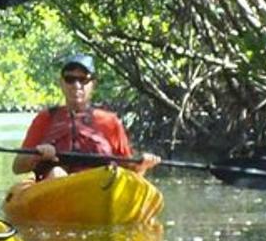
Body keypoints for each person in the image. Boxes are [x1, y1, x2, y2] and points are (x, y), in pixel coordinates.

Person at [12, 52, 160, 180]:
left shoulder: (110, 121)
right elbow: (17, 167)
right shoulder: (45, 118)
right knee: (56, 173)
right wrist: (37, 155)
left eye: (83, 79)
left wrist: (142, 165)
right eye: (70, 79)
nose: (77, 85)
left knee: (112, 175)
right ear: (61, 83)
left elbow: (128, 168)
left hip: (100, 184)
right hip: (55, 185)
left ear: (93, 84)